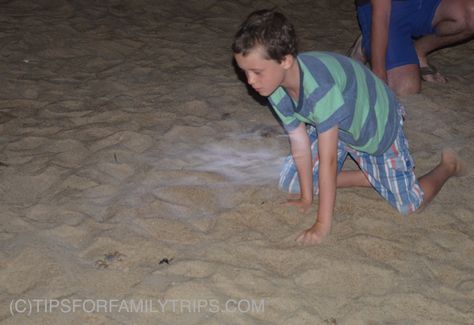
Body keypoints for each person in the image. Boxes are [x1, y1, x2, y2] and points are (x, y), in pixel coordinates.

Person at [232, 9, 466, 244]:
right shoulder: (274, 87)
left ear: (285, 60)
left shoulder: (319, 89)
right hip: (336, 120)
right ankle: (372, 178)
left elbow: (329, 161)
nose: (250, 81)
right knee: (289, 181)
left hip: (374, 123)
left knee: (409, 204)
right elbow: (300, 146)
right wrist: (305, 198)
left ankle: (448, 166)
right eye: (245, 72)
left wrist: (322, 225)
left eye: (256, 72)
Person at [348, 0, 474, 96]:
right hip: (384, 9)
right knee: (405, 87)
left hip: (424, 4)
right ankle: (366, 43)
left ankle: (419, 51)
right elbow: (382, 13)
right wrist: (379, 73)